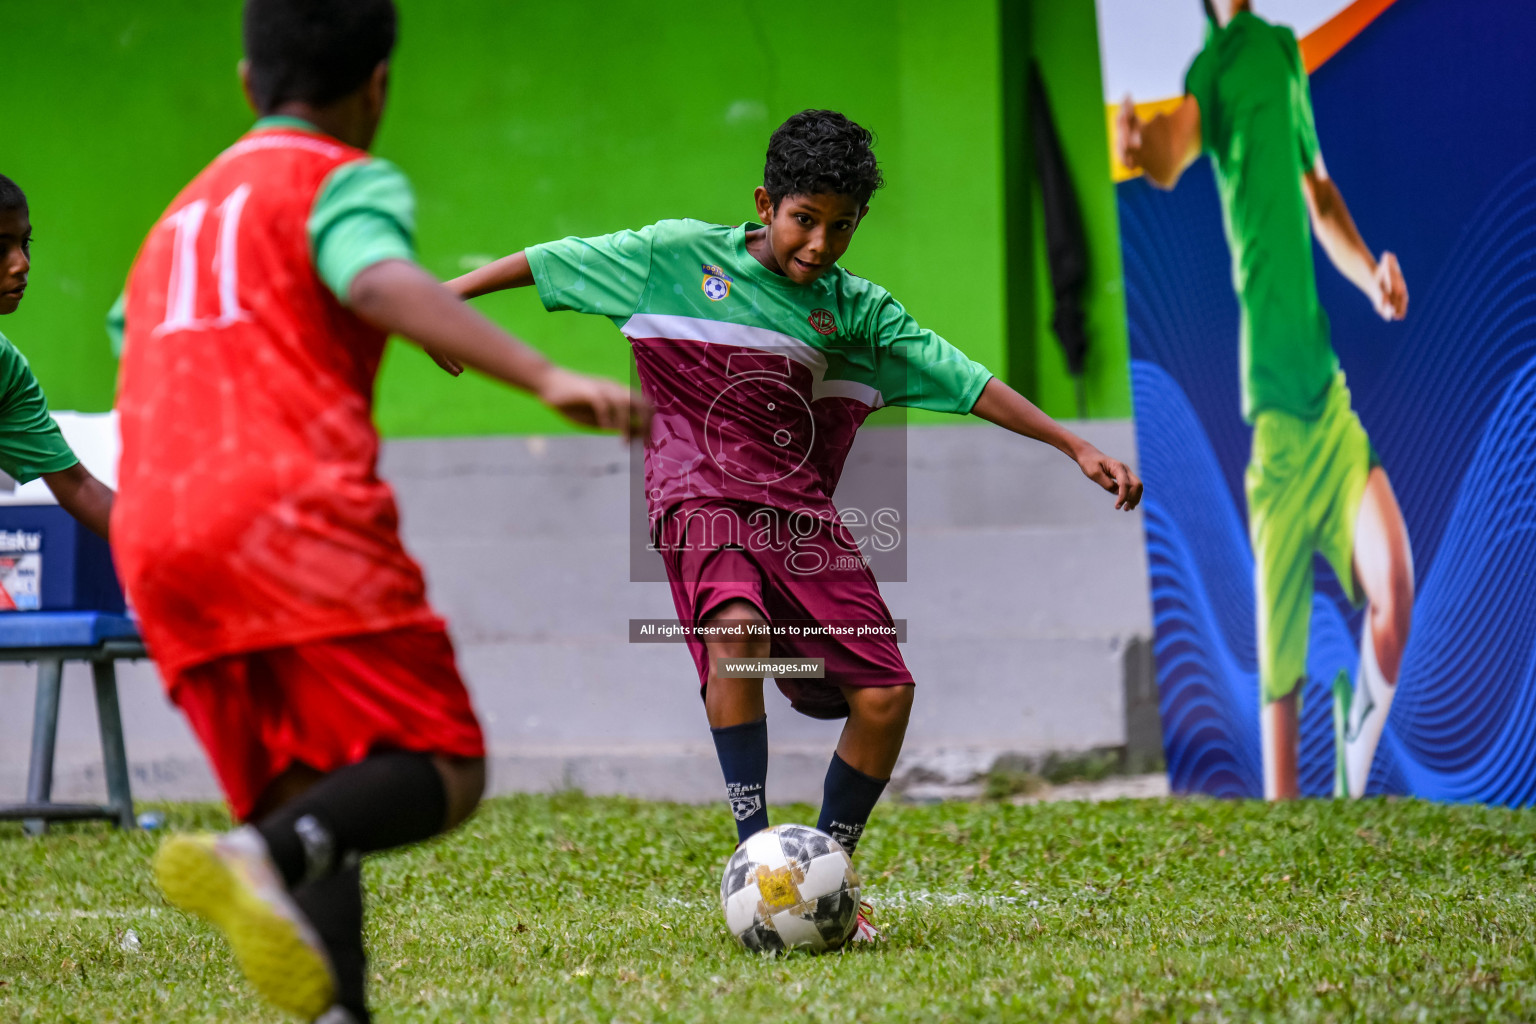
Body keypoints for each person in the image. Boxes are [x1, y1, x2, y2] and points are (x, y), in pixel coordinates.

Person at [450, 109, 1142, 940]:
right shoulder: (672, 258)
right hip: (696, 500)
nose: (819, 244)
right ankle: (759, 860)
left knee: (885, 695)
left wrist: (1072, 444)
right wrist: (446, 303)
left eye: (840, 226)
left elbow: (964, 377)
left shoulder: (855, 313)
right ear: (766, 204)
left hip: (801, 521)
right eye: (803, 220)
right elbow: (551, 263)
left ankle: (830, 873)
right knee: (739, 632)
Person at [111, 2, 648, 1020]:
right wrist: (541, 375)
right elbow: (373, 272)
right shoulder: (337, 178)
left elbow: (132, 338)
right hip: (282, 514)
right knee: (444, 762)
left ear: (244, 81)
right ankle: (247, 857)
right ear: (379, 84)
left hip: (152, 526)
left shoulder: (172, 222)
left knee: (316, 791)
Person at [1116, 0, 1414, 799]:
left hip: (1328, 399)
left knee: (1397, 595)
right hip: (1275, 428)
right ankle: (1291, 848)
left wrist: (1371, 279)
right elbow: (1174, 154)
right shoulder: (1210, 71)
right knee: (1278, 714)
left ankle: (1357, 743)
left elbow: (1320, 195)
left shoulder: (1282, 52)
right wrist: (1140, 146)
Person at [0, 174, 114, 542]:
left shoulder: (6, 369)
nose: (22, 264)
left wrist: (194, 554)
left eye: (24, 243)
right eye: (0, 247)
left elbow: (79, 487)